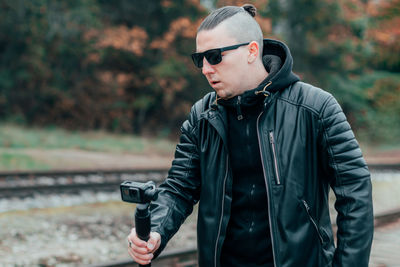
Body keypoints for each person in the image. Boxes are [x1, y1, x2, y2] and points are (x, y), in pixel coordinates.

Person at [127, 4, 374, 267]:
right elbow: (179, 188)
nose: (206, 69)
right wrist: (154, 230)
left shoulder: (316, 108)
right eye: (200, 59)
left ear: (251, 51)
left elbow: (355, 193)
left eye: (214, 56)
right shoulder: (202, 116)